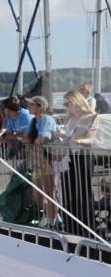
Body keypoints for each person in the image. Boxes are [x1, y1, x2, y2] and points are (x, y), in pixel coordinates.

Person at [55, 89, 100, 236]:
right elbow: (68, 137)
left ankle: (87, 229)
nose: (66, 106)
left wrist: (79, 141)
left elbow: (91, 138)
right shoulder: (70, 119)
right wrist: (61, 136)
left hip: (82, 157)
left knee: (82, 193)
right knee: (68, 193)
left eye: (67, 103)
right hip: (69, 158)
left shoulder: (91, 116)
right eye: (65, 104)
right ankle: (71, 228)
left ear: (76, 102)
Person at [23, 96, 59, 227]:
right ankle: (50, 217)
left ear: (40, 106)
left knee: (49, 192)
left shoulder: (47, 119)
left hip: (47, 158)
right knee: (37, 193)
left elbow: (41, 139)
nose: (29, 107)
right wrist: (32, 141)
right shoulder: (33, 121)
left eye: (31, 105)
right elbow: (26, 138)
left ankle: (53, 222)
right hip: (36, 158)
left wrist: (32, 141)